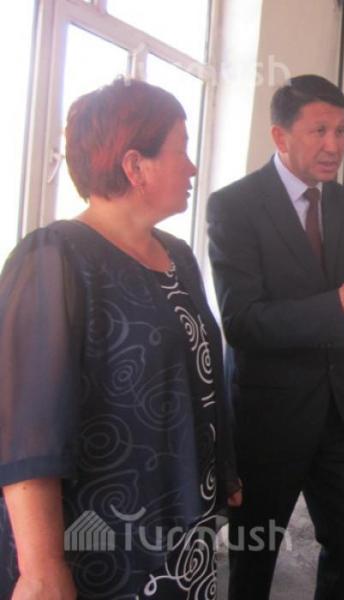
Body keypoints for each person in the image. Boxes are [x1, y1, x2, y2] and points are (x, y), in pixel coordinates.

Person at [0, 78, 241, 598]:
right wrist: (41, 570)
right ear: (135, 166)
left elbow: (196, 373)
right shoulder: (54, 257)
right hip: (101, 545)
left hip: (181, 525)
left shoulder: (177, 255)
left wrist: (223, 468)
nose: (192, 168)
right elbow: (24, 427)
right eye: (181, 151)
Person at [206, 74, 344, 599]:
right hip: (269, 414)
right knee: (256, 552)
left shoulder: (342, 202)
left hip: (336, 406)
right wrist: (339, 303)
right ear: (280, 136)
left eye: (342, 131)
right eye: (320, 130)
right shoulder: (235, 206)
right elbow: (242, 321)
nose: (334, 145)